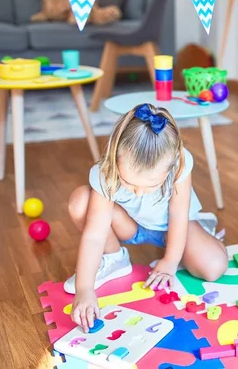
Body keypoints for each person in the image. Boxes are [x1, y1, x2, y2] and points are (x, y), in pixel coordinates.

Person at [66, 103, 228, 332]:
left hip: (174, 227)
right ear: (114, 157)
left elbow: (179, 215)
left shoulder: (180, 162)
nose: (138, 192)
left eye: (150, 185)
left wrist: (170, 261)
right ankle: (114, 259)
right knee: (81, 200)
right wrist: (85, 289)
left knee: (213, 267)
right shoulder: (106, 171)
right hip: (130, 226)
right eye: (129, 183)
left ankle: (201, 232)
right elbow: (94, 236)